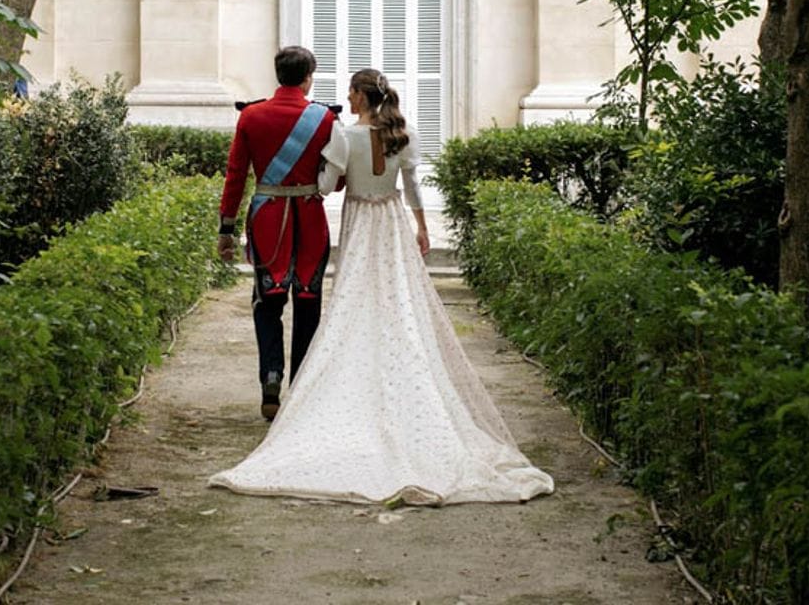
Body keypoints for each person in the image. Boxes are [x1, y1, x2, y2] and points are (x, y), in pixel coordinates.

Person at [210, 68, 554, 506]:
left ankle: (285, 383)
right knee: (398, 302)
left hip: (355, 220)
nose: (346, 97)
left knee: (350, 301)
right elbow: (412, 186)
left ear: (359, 95)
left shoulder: (341, 135)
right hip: (391, 221)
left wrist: (310, 184)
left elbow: (324, 186)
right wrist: (422, 228)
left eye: (351, 92)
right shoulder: (401, 134)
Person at [218, 46, 347, 421]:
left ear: (278, 75)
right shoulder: (323, 118)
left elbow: (236, 176)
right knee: (308, 303)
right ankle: (301, 389)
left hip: (267, 222)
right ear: (309, 77)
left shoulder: (252, 115)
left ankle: (270, 381)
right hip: (309, 220)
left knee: (267, 303)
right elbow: (335, 181)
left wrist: (226, 228)